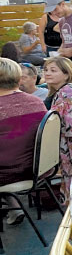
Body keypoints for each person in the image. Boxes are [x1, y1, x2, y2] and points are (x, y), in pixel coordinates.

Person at [0, 58, 47, 225]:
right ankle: (14, 206)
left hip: (8, 174)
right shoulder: (36, 102)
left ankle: (12, 206)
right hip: (39, 169)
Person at [42, 56, 72, 199]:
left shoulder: (66, 93)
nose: (47, 73)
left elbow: (70, 128)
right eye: (45, 70)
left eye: (53, 70)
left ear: (66, 74)